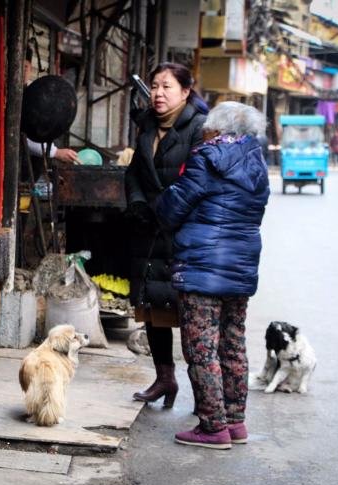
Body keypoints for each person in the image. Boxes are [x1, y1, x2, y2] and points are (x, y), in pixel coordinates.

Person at [155, 101, 270, 449]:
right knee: (233, 345)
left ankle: (212, 427)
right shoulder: (258, 162)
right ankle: (235, 423)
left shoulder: (207, 157)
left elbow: (173, 208)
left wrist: (161, 201)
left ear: (217, 129)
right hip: (241, 266)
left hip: (202, 267)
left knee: (202, 347)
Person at [124, 62, 208, 408]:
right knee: (153, 307)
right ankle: (165, 379)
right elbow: (134, 173)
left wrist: (166, 209)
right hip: (150, 232)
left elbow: (199, 181)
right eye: (155, 86)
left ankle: (206, 395)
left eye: (167, 87)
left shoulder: (200, 129)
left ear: (186, 92)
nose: (158, 93)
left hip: (184, 233)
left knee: (190, 316)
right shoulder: (146, 126)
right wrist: (139, 203)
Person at [23, 46, 79, 164]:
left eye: (25, 67)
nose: (23, 72)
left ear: (31, 68)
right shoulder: (4, 97)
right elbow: (19, 138)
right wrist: (55, 153)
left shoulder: (38, 93)